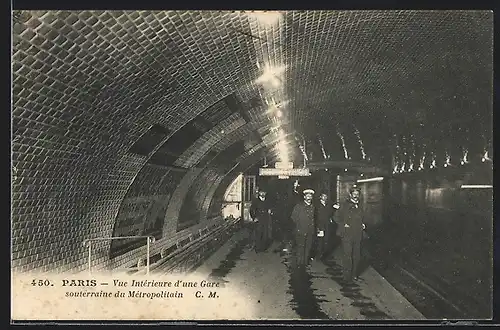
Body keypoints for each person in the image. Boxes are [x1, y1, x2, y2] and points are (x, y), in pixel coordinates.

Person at [336, 185, 366, 282]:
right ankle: (347, 276)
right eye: (354, 194)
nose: (356, 196)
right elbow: (336, 217)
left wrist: (363, 224)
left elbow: (362, 218)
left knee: (356, 256)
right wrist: (343, 224)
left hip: (357, 235)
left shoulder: (360, 206)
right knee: (347, 255)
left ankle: (354, 275)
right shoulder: (344, 205)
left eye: (357, 194)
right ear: (350, 195)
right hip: (347, 235)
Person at [290, 188, 316, 266]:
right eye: (307, 196)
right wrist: (299, 226)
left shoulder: (313, 207)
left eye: (310, 196)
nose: (309, 198)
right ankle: (300, 264)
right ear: (304, 197)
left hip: (310, 231)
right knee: (301, 248)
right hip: (300, 231)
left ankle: (304, 263)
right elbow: (293, 217)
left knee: (308, 248)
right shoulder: (299, 206)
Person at [314, 191, 340, 261]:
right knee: (320, 241)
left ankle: (325, 255)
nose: (325, 197)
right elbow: (315, 217)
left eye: (326, 196)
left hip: (327, 225)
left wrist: (330, 218)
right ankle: (319, 256)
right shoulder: (316, 205)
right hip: (320, 225)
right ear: (320, 197)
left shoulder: (328, 205)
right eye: (323, 196)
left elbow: (333, 209)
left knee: (327, 240)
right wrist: (317, 227)